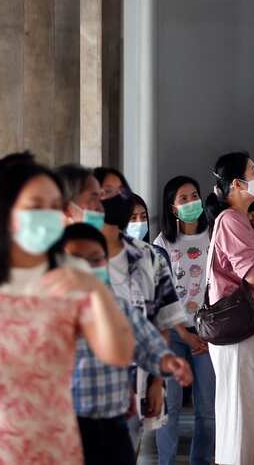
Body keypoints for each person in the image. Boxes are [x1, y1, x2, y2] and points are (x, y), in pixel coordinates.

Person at [0, 154, 134, 465]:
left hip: (53, 442)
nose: (46, 215)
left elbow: (118, 354)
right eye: (34, 206)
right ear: (7, 211)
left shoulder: (72, 274)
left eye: (54, 206)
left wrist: (95, 289)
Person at [61, 222, 194, 465]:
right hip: (65, 424)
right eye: (77, 260)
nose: (88, 268)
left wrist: (167, 361)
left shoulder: (117, 307)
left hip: (113, 420)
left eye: (96, 259)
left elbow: (145, 342)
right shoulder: (45, 311)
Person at [100, 185, 205, 449]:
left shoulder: (153, 256)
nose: (139, 223)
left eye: (142, 217)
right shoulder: (100, 259)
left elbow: (164, 311)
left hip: (146, 355)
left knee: (137, 427)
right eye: (132, 217)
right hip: (110, 358)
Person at [204, 152, 254, 465]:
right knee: (240, 415)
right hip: (237, 331)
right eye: (253, 170)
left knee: (250, 413)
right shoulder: (230, 220)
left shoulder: (242, 220)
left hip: (247, 328)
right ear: (237, 183)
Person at [153, 175, 218, 465]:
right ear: (172, 207)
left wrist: (203, 331)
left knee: (207, 408)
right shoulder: (162, 243)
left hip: (207, 332)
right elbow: (161, 295)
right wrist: (184, 332)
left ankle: (200, 460)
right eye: (184, 199)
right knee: (171, 406)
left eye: (195, 196)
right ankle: (165, 461)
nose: (192, 202)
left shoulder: (213, 235)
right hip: (172, 334)